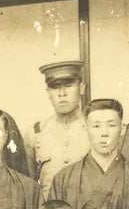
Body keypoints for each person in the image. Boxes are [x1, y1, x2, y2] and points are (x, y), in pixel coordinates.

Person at [50, 98, 129, 209]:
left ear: (123, 129)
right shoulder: (64, 178)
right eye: (96, 126)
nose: (104, 133)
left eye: (111, 125)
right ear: (85, 128)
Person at [24, 61, 90, 198]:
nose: (62, 93)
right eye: (55, 87)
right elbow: (30, 184)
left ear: (82, 88)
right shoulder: (36, 133)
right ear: (48, 92)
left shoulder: (95, 128)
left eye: (68, 86)